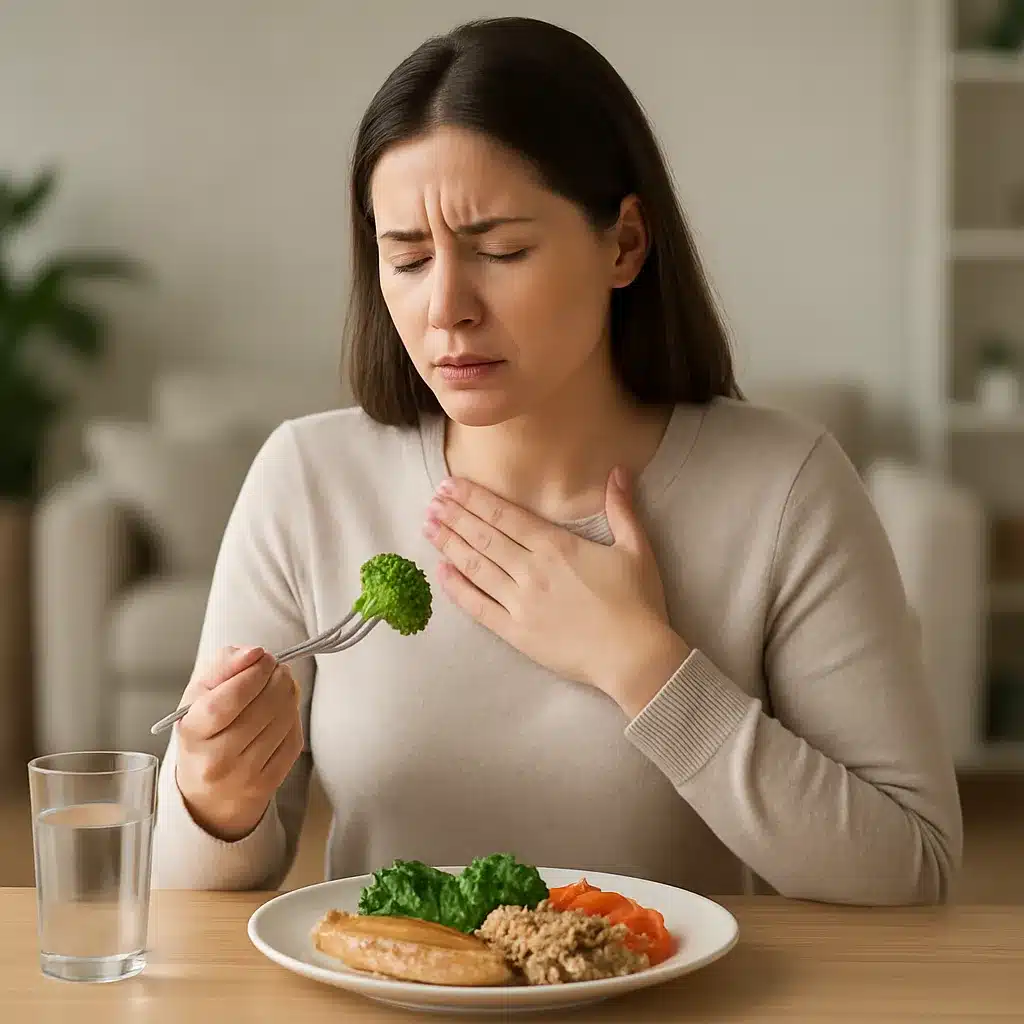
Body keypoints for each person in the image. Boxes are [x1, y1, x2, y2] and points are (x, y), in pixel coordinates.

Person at [151, 16, 962, 903]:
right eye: (408, 259)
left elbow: (915, 871)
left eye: (501, 250)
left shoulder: (786, 485)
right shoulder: (309, 477)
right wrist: (211, 799)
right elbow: (193, 901)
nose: (447, 307)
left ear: (623, 244)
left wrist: (641, 665)